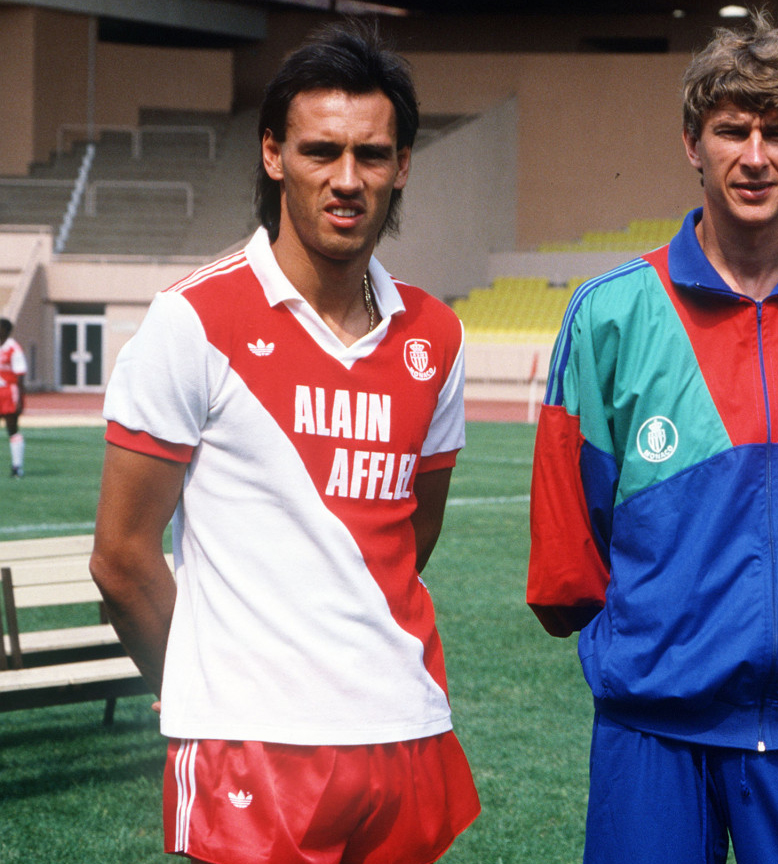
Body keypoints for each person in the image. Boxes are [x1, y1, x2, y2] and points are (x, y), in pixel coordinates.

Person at [526, 12, 778, 864]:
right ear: (692, 144)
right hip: (651, 732)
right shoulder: (610, 313)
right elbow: (568, 561)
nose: (754, 156)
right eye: (731, 130)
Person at [89, 21, 478, 864]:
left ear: (403, 165)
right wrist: (198, 686)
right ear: (273, 155)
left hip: (403, 727)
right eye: (320, 151)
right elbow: (121, 559)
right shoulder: (194, 320)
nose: (348, 180)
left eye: (372, 155)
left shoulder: (434, 335)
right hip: (252, 744)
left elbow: (413, 534)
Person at [0, 317, 25, 477]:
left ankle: (17, 467)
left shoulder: (14, 349)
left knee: (12, 428)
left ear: (7, 331)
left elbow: (20, 375)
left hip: (9, 392)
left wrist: (20, 400)